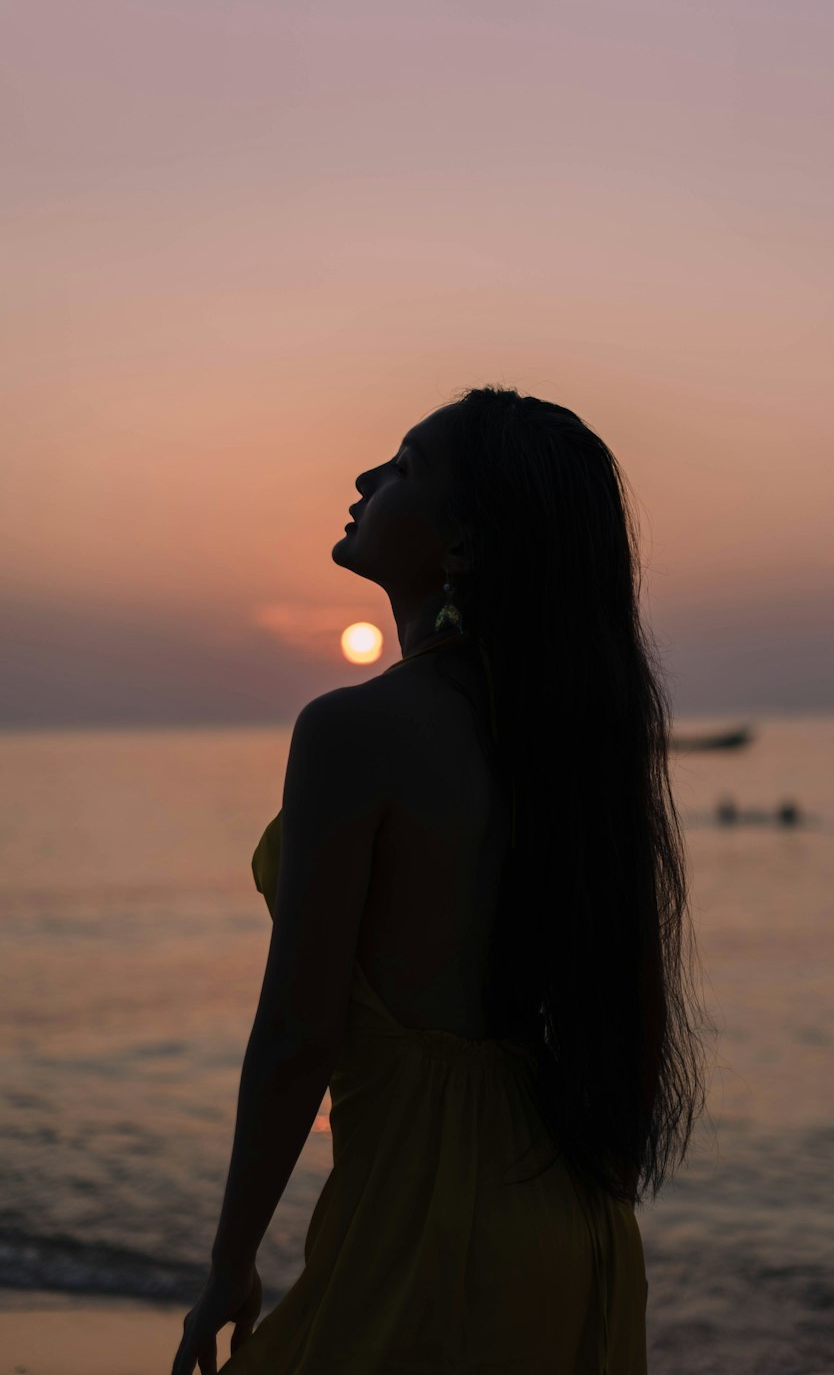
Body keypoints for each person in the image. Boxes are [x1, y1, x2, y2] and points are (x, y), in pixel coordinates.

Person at [172, 384, 712, 1374]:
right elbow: (620, 998)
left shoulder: (352, 732)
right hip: (575, 1224)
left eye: (406, 467)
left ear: (460, 548)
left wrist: (229, 1261)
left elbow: (297, 1033)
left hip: (422, 1232)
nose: (366, 480)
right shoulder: (575, 742)